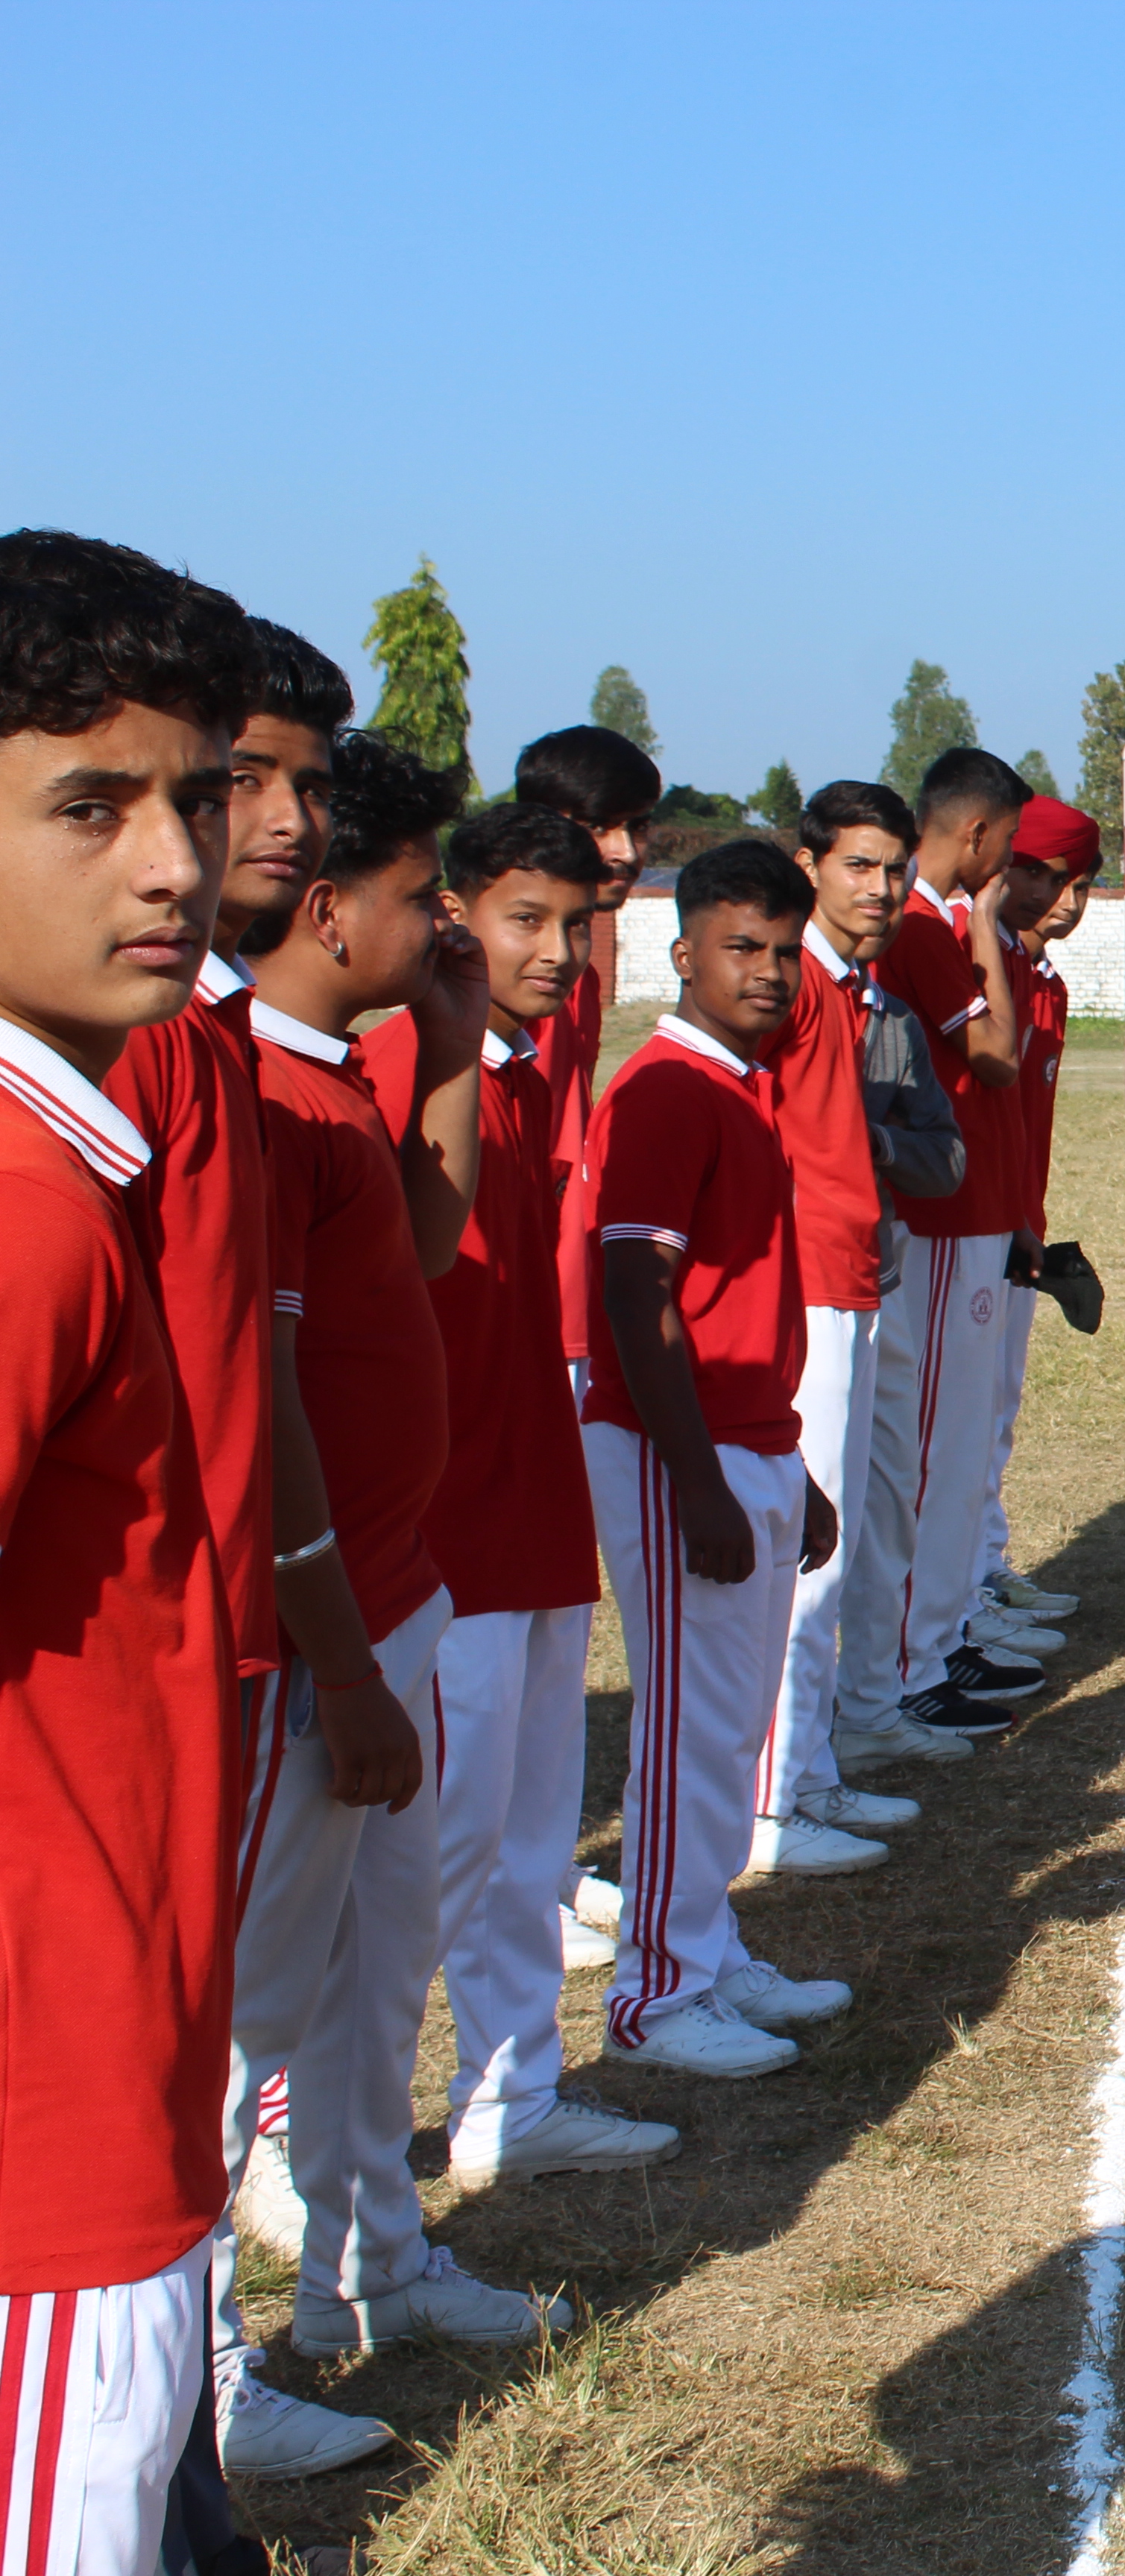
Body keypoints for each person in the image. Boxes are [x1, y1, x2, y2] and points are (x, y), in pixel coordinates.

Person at [86, 614, 394, 2484]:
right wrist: (331, 1636)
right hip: (151, 1676)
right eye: (229, 779)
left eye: (275, 788)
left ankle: (186, 2415)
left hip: (228, 1655)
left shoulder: (207, 1051)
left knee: (214, 2039)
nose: (253, 828)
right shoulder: (102, 1069)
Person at [240, 730, 575, 2363]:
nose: (442, 924)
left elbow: (428, 1249)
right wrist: (335, 1640)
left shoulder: (336, 1073)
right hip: (326, 1638)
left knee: (381, 1995)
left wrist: (445, 1040)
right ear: (322, 910)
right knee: (248, 2025)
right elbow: (265, 1387)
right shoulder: (244, 1085)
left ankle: (371, 2271)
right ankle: (200, 2399)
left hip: (391, 1607)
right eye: (414, 896)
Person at [0, 531, 252, 2575]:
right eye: (89, 807)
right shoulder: (20, 1203)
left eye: (188, 797)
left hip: (113, 2089)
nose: (172, 862)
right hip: (44, 2135)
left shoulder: (72, 1167)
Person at [362, 802, 680, 2188]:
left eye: (576, 921)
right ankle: (305, 2142)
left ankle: (513, 2096)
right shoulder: (398, 1062)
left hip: (533, 1497)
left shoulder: (524, 1069)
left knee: (526, 1846)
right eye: (524, 920)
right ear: (455, 918)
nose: (557, 951)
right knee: (423, 1864)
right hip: (448, 1531)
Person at [587, 839, 846, 2077]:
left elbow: (741, 1303)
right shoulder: (663, 1090)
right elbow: (633, 1292)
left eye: (787, 951)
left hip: (745, 1441)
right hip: (671, 1448)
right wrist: (694, 1476)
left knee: (729, 1726)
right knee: (686, 1729)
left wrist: (790, 1468)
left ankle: (706, 1945)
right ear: (680, 951)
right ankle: (652, 1991)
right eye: (742, 947)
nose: (769, 972)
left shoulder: (738, 1085)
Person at [757, 781, 956, 1841]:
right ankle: (783, 1791)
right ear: (808, 867)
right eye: (859, 866)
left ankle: (847, 1731)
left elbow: (938, 1148)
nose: (881, 889)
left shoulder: (874, 1006)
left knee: (869, 1508)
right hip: (804, 1291)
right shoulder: (786, 988)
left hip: (864, 1279)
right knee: (808, 1536)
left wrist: (878, 1159)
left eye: (895, 868)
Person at [851, 747, 1044, 1740]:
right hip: (934, 1227)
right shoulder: (929, 930)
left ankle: (935, 1642)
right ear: (976, 835)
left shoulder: (934, 927)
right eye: (1007, 843)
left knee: (950, 1445)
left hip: (965, 1217)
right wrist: (980, 928)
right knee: (926, 1453)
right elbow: (996, 1058)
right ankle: (908, 1666)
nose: (1009, 865)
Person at [511, 723, 658, 1978]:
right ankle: (517, 1882)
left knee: (563, 1617)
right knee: (512, 1628)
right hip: (519, 1320)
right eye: (606, 825)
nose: (626, 851)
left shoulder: (582, 973)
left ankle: (547, 1866)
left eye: (634, 828)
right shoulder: (481, 980)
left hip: (566, 1312)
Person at [961, 796, 1097, 1666]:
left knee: (993, 1416)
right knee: (960, 1423)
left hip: (1016, 1227)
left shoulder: (1043, 980)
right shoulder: (985, 972)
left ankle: (982, 1567)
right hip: (971, 1227)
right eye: (1044, 874)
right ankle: (958, 1595)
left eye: (1082, 882)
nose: (1067, 899)